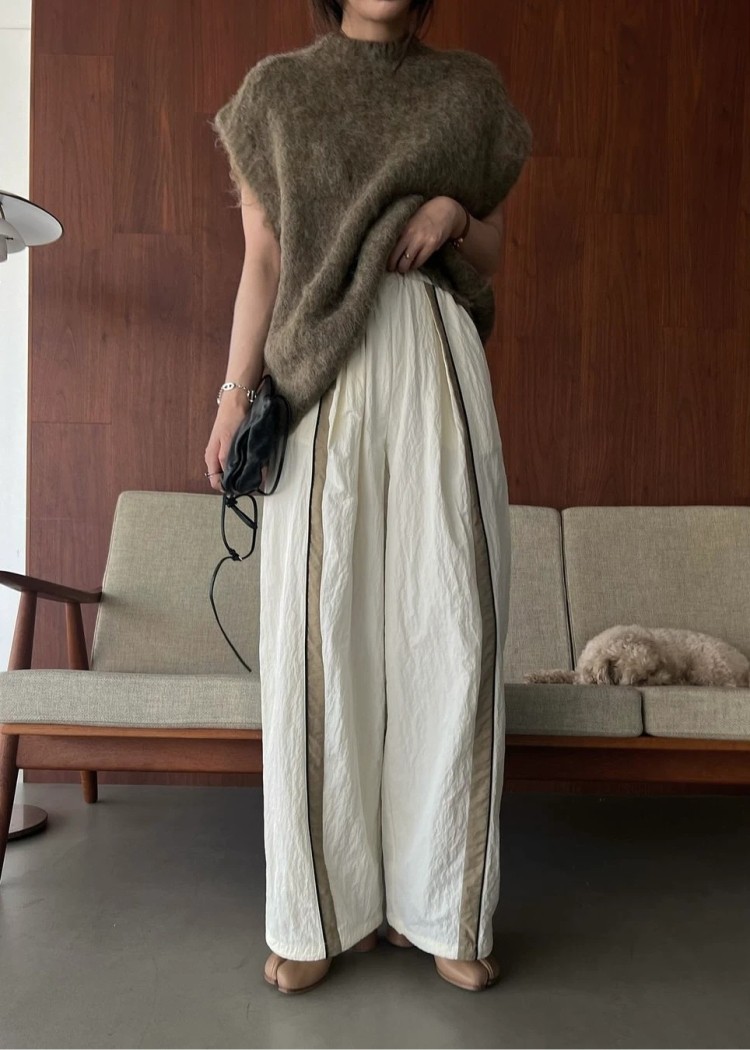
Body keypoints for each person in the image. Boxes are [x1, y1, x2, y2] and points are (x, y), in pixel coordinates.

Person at [205, 0, 532, 995]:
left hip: (434, 352)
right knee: (318, 643)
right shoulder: (277, 93)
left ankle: (446, 908)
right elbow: (264, 259)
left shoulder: (467, 91)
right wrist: (233, 398)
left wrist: (455, 216)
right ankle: (315, 916)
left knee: (454, 629)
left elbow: (493, 254)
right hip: (320, 375)